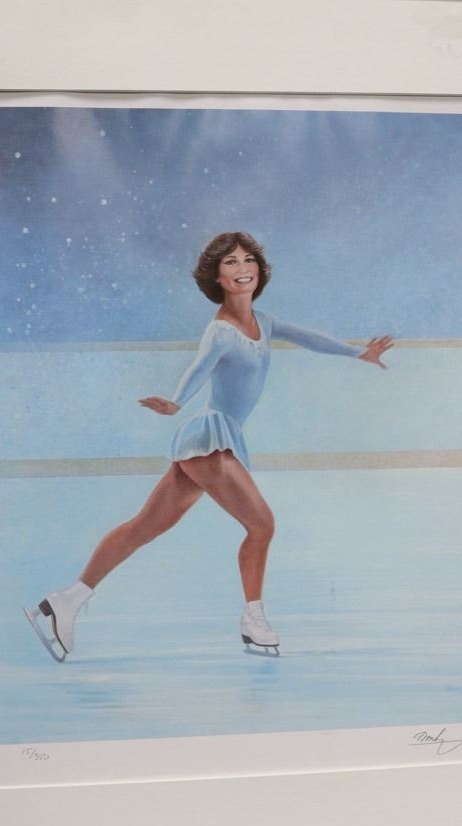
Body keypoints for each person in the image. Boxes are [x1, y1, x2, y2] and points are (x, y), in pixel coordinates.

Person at [24, 231, 394, 661]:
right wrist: (176, 401)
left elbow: (308, 337)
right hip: (209, 439)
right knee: (261, 524)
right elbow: (200, 366)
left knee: (143, 527)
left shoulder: (265, 322)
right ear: (217, 277)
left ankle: (64, 601)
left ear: (259, 269)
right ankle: (253, 620)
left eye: (248, 260)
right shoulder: (220, 331)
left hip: (217, 438)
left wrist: (357, 353)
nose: (243, 269)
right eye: (231, 263)